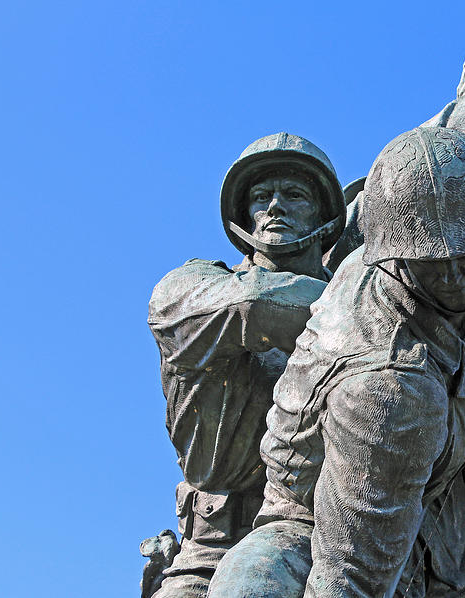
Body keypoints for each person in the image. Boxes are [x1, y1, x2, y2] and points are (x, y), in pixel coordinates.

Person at [208, 126, 465, 597]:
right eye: (434, 262)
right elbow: (352, 577)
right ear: (396, 259)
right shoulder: (390, 388)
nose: (459, 274)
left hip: (445, 529)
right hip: (318, 534)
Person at [144, 132, 346, 598]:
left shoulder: (356, 288)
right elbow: (256, 303)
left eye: (294, 195)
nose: (275, 206)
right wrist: (366, 306)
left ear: (325, 217)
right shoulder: (190, 288)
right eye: (261, 197)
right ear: (244, 217)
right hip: (211, 549)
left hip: (335, 534)